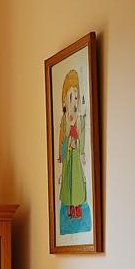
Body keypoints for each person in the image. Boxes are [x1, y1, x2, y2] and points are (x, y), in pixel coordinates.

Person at [57, 69, 87, 220]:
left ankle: (78, 207)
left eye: (76, 96)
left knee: (76, 180)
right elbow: (61, 139)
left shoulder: (79, 118)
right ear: (64, 99)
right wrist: (61, 155)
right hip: (68, 156)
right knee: (68, 182)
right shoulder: (64, 121)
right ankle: (70, 207)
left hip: (75, 156)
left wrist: (81, 151)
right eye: (71, 96)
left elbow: (82, 134)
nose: (74, 100)